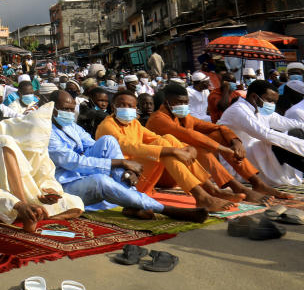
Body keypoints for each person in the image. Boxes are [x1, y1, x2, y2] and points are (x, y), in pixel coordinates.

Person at [48, 91, 207, 222]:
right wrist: (122, 163)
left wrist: (125, 170)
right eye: (64, 109)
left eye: (71, 109)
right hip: (66, 183)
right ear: (51, 108)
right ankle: (165, 209)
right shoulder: (47, 132)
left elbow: (92, 145)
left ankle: (133, 202)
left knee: (109, 142)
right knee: (101, 180)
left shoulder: (72, 127)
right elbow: (72, 162)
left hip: (96, 172)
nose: (69, 113)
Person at [96, 90, 236, 212]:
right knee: (165, 149)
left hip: (138, 173)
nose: (126, 108)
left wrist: (184, 148)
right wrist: (175, 151)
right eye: (121, 105)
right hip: (122, 177)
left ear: (135, 108)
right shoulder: (107, 126)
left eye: (130, 106)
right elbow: (130, 147)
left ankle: (210, 190)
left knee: (167, 140)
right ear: (113, 106)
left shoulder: (134, 123)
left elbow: (156, 138)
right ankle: (202, 196)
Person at [147, 83, 288, 202]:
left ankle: (256, 183)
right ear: (166, 101)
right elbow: (190, 135)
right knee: (200, 149)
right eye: (178, 103)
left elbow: (219, 126)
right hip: (165, 172)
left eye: (185, 102)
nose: (183, 106)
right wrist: (222, 149)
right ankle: (235, 187)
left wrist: (235, 141)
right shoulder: (158, 119)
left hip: (187, 167)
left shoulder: (184, 117)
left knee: (219, 134)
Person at [0, 103, 83, 233]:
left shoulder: (39, 141)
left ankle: (23, 214)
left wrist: (49, 191)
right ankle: (19, 212)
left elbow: (45, 174)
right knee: (5, 142)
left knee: (76, 205)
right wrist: (18, 204)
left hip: (25, 195)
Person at [219, 80, 304, 186]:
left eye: (274, 102)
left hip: (257, 152)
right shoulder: (238, 110)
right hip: (240, 157)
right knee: (276, 143)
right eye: (269, 100)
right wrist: (301, 145)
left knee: (296, 132)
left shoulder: (261, 110)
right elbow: (264, 134)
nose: (272, 105)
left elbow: (288, 124)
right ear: (254, 97)